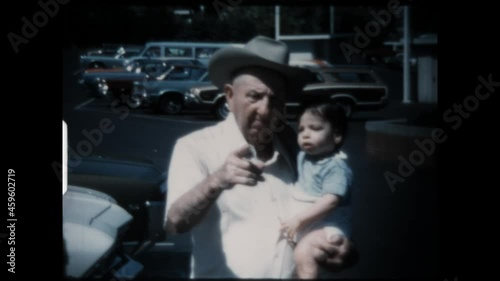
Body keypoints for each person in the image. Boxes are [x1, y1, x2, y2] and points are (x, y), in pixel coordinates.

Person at [164, 35, 358, 278]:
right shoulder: (195, 147)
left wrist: (345, 253)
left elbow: (330, 218)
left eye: (274, 99)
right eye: (254, 96)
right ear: (229, 96)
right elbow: (175, 224)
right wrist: (216, 181)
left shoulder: (299, 150)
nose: (265, 111)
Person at [280, 103, 353, 278]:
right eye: (301, 129)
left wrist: (299, 219)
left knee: (303, 254)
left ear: (336, 135)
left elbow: (331, 201)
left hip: (326, 224)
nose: (305, 134)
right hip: (307, 223)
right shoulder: (304, 156)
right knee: (298, 261)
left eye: (315, 128)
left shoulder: (336, 167)